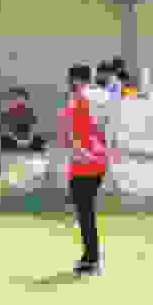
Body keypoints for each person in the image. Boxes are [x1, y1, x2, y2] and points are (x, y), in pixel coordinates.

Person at [57, 64, 120, 275]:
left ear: (74, 80)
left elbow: (70, 131)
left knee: (85, 212)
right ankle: (92, 256)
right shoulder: (104, 96)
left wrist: (78, 151)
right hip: (100, 158)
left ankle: (92, 259)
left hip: (82, 161)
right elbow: (111, 128)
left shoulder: (77, 99)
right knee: (87, 211)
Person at [0, 86, 46, 152]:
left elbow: (32, 128)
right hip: (14, 140)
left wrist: (29, 139)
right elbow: (6, 129)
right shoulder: (8, 114)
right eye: (16, 99)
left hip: (27, 140)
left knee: (39, 140)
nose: (19, 101)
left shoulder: (29, 113)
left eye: (21, 99)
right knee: (3, 140)